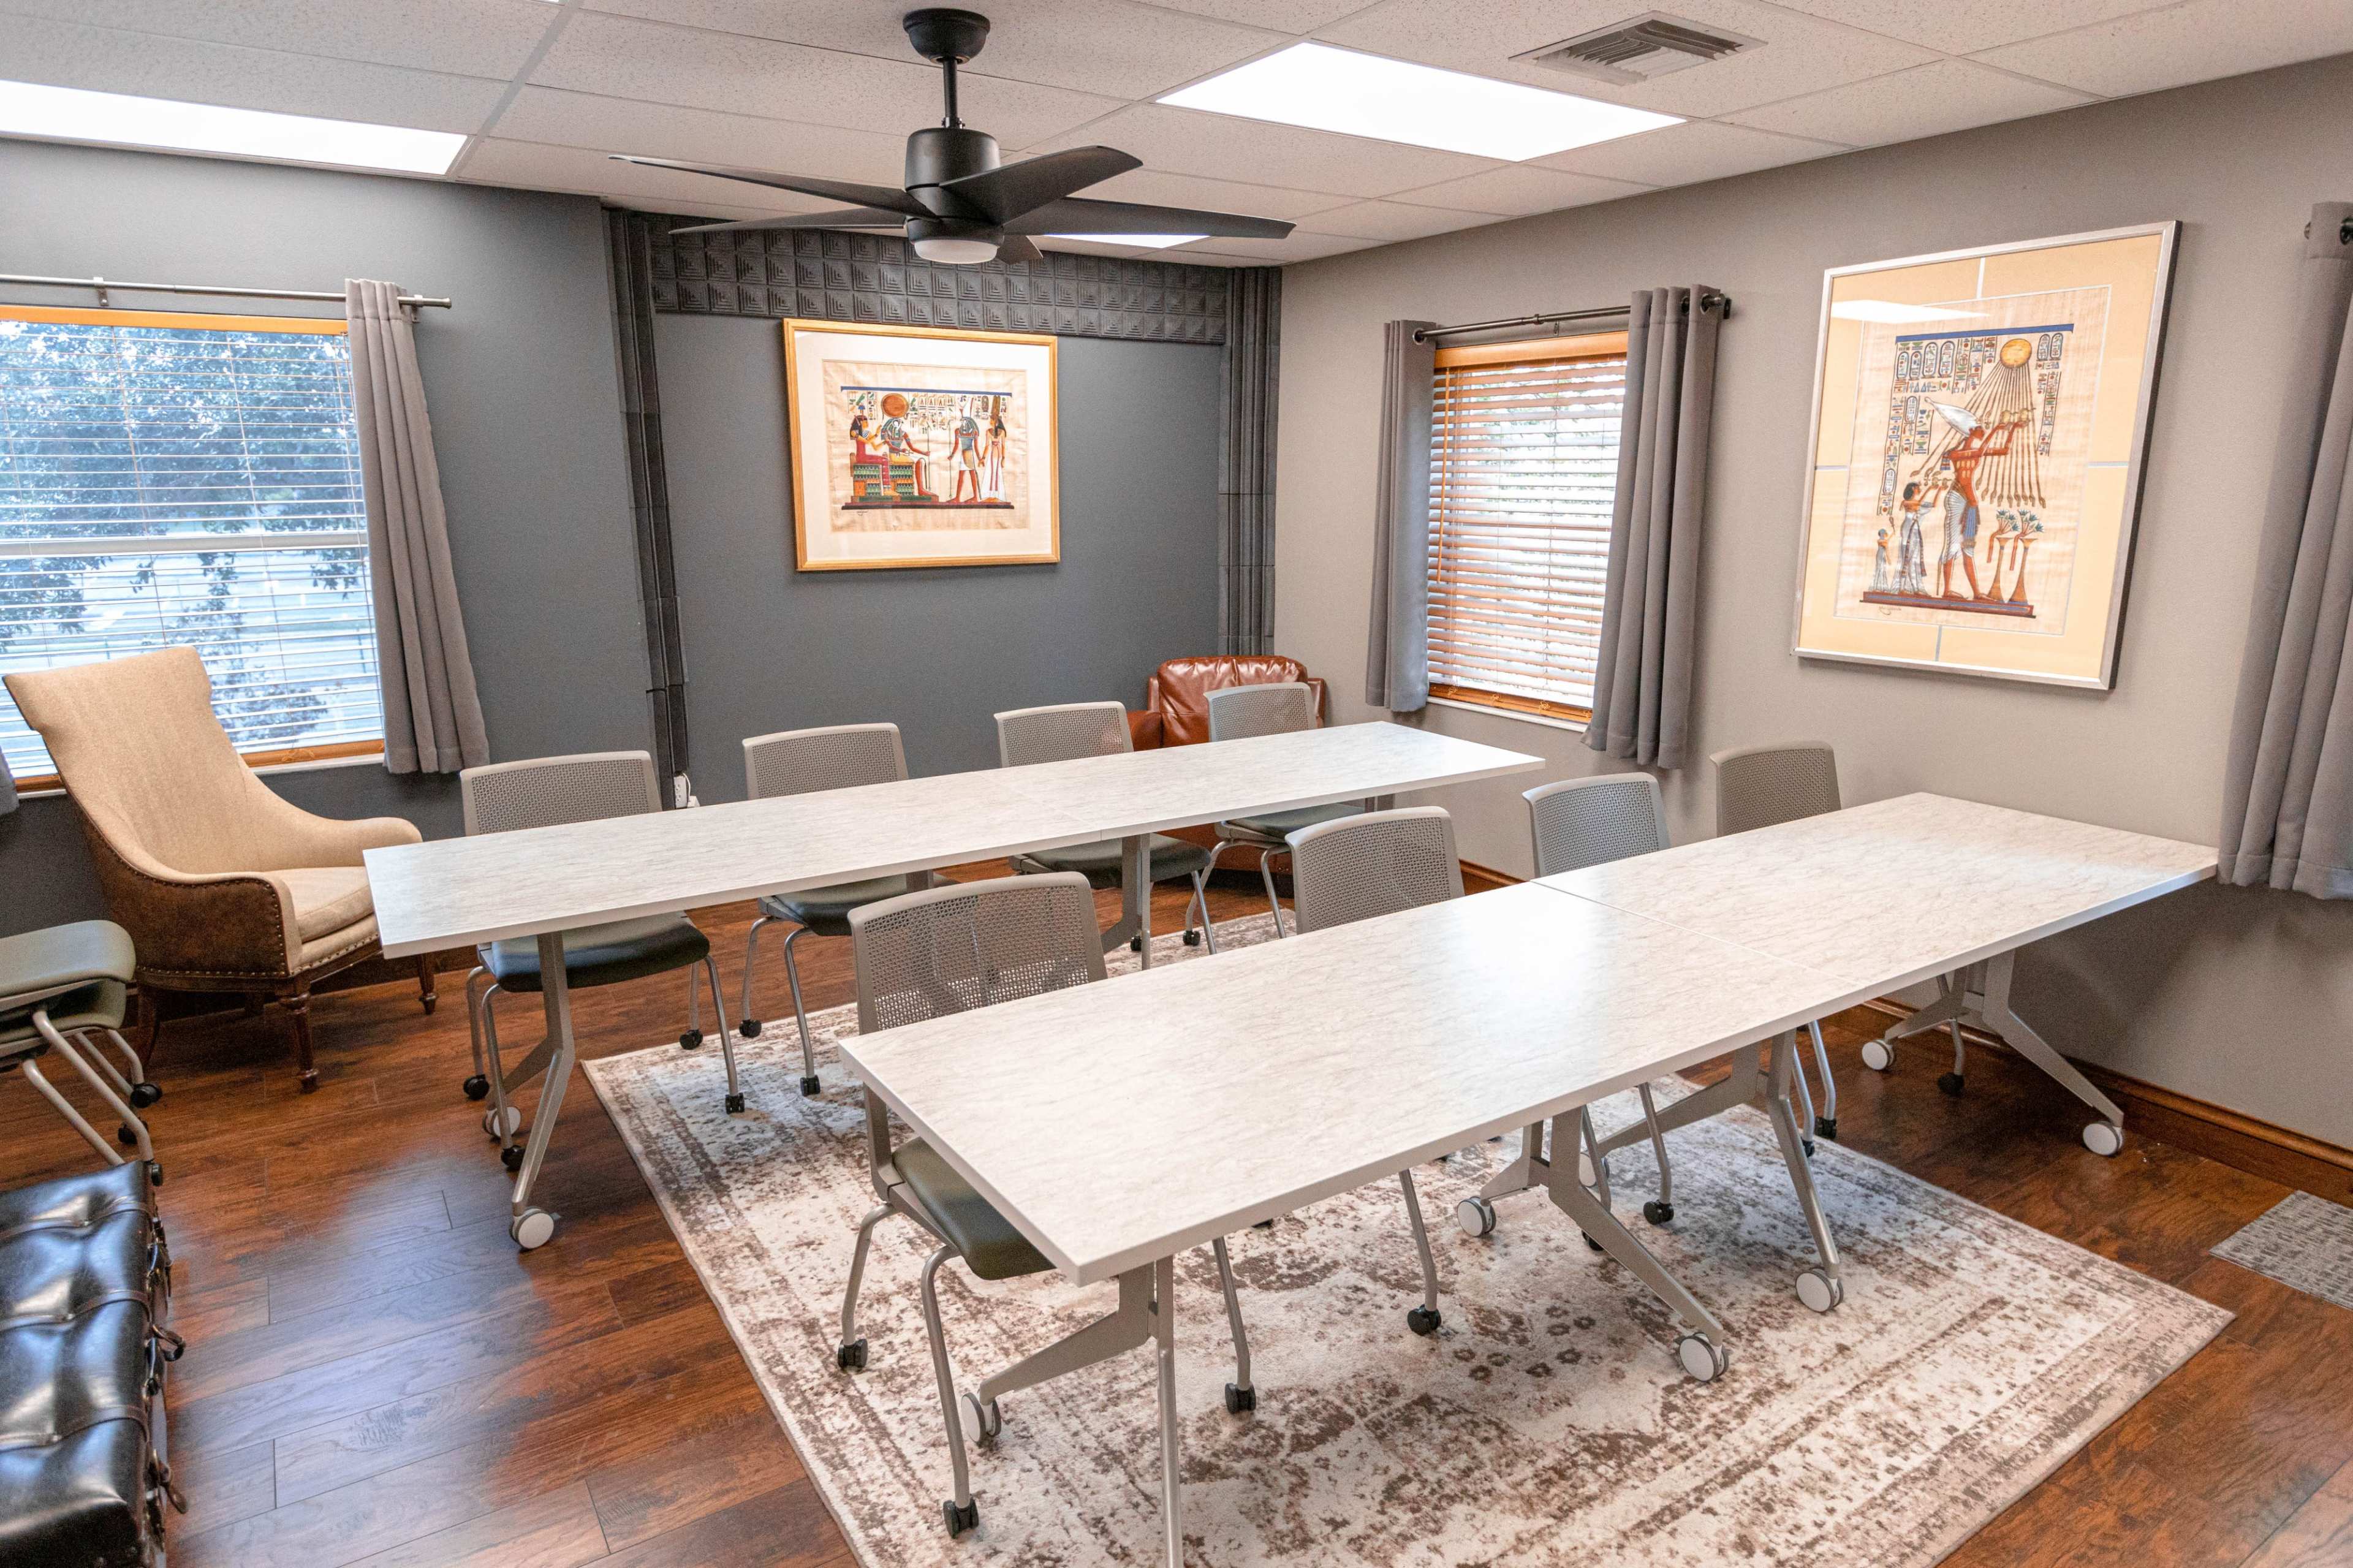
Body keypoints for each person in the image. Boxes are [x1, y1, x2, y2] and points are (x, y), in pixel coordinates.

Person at [876, 392, 935, 500]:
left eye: (899, 422)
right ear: (891, 423)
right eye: (895, 422)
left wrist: (924, 453)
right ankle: (920, 489)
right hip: (893, 455)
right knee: (916, 460)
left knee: (921, 460)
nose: (898, 424)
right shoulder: (886, 432)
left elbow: (912, 448)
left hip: (901, 454)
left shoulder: (903, 433)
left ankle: (921, 489)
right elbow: (890, 446)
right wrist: (901, 449)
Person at [1894, 480, 1928, 596]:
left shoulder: (1913, 502)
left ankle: (1915, 588)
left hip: (1914, 530)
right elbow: (1919, 503)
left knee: (1913, 560)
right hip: (1908, 530)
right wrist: (1930, 490)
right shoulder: (1907, 502)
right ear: (1913, 488)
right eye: (1919, 488)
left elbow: (1924, 504)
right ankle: (1902, 588)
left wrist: (1936, 490)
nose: (1921, 489)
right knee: (1907, 560)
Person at [947, 403, 983, 503]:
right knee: (961, 475)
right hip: (963, 455)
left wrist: (980, 458)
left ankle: (975, 497)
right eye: (962, 420)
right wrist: (952, 455)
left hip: (969, 455)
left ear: (968, 421)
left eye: (964, 420)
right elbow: (956, 445)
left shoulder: (974, 432)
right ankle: (958, 498)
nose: (962, 422)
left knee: (972, 474)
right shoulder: (958, 431)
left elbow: (976, 447)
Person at [982, 400, 1007, 501]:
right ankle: (992, 494)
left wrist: (1003, 458)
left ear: (995, 422)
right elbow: (988, 446)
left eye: (991, 420)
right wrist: (983, 458)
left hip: (995, 453)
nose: (990, 422)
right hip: (995, 454)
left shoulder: (995, 432)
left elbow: (988, 446)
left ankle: (995, 494)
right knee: (994, 471)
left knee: (995, 472)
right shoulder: (996, 432)